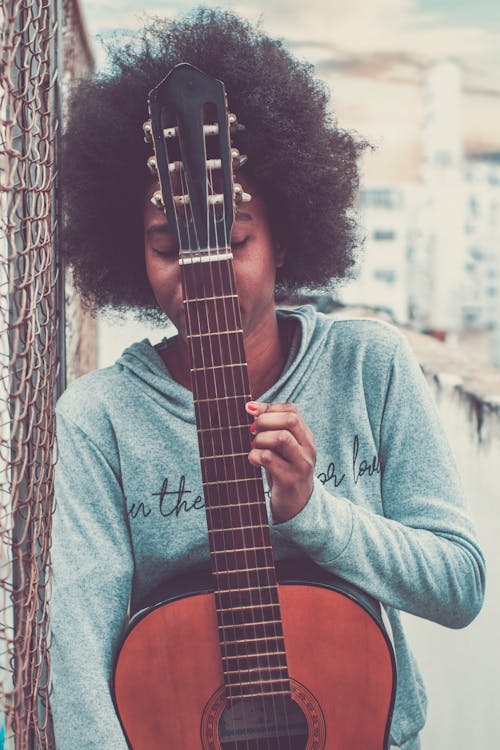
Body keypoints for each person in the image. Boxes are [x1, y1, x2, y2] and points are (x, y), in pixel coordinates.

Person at [50, 8, 485, 750]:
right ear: (133, 256)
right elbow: (80, 661)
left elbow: (458, 585)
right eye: (167, 244)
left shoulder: (369, 366)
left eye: (236, 238)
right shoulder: (98, 418)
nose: (204, 268)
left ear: (286, 237)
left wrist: (314, 511)